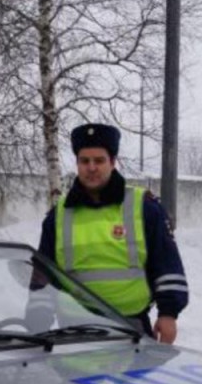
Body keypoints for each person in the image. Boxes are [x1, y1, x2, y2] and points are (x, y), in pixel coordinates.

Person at [37, 122, 188, 343]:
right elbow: (43, 275)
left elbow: (166, 264)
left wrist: (168, 314)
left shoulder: (143, 207)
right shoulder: (58, 215)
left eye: (99, 160)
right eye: (84, 161)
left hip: (130, 329)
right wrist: (35, 320)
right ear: (77, 163)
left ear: (113, 162)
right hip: (72, 334)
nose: (91, 167)